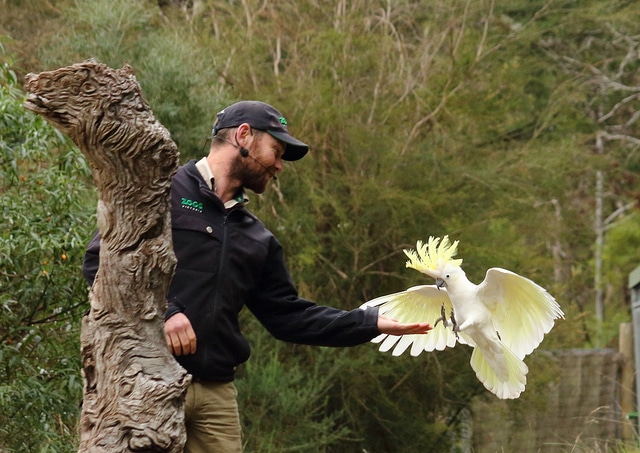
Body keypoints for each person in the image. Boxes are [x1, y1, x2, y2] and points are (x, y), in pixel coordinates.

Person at [82, 100, 431, 453]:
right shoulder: (162, 193)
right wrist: (165, 313)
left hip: (216, 394)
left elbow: (289, 317)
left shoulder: (256, 238)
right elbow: (100, 262)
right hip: (145, 378)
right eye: (276, 151)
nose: (279, 165)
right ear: (243, 136)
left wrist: (370, 323)